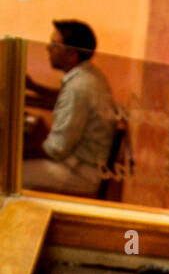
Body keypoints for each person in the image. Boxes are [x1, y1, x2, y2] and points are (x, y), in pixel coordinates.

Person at [22, 20, 117, 197]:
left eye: (55, 45)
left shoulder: (79, 87)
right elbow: (63, 98)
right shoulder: (88, 75)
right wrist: (33, 87)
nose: (48, 49)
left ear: (72, 55)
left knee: (8, 174)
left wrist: (16, 153)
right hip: (81, 165)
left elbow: (56, 150)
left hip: (80, 173)